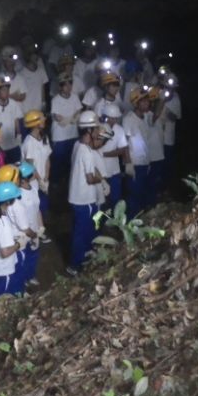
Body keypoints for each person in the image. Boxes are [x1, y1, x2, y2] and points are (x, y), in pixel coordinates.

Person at [67, 111, 103, 275]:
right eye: (95, 128)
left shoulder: (78, 145)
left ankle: (86, 255)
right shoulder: (86, 152)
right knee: (82, 233)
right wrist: (101, 179)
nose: (98, 131)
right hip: (84, 198)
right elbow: (90, 179)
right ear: (89, 130)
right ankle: (75, 265)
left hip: (77, 196)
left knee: (83, 230)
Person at [0, 182, 27, 300]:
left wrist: (11, 239)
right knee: (1, 303)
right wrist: (18, 244)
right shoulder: (2, 223)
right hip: (3, 270)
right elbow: (4, 253)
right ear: (8, 202)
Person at [122, 88, 151, 219]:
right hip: (135, 163)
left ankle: (140, 223)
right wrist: (128, 163)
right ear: (135, 103)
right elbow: (125, 143)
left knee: (142, 193)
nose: (147, 104)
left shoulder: (145, 117)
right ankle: (130, 224)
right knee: (133, 196)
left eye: (147, 101)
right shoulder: (128, 119)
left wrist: (148, 161)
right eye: (143, 101)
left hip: (144, 162)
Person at [50, 72, 82, 183]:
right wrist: (71, 119)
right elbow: (59, 119)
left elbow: (79, 111)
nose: (68, 87)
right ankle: (55, 183)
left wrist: (75, 117)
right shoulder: (55, 100)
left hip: (72, 134)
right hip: (60, 137)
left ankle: (69, 181)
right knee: (58, 161)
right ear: (60, 86)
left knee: (71, 160)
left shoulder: (75, 97)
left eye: (70, 84)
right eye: (65, 84)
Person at [17, 162, 45, 287]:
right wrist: (31, 234)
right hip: (23, 232)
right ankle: (22, 281)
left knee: (33, 254)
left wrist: (41, 227)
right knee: (23, 257)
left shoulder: (33, 189)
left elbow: (37, 209)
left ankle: (30, 276)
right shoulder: (18, 194)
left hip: (34, 229)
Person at [21, 110, 52, 214]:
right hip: (33, 181)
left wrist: (46, 178)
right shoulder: (29, 142)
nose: (44, 120)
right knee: (36, 209)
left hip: (43, 179)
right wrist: (40, 181)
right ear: (35, 124)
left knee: (44, 207)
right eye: (41, 119)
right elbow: (30, 166)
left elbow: (47, 158)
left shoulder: (44, 137)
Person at [99, 105, 130, 210]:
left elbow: (123, 149)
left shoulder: (119, 129)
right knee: (101, 200)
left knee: (116, 199)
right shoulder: (97, 128)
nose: (114, 120)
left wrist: (104, 154)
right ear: (105, 117)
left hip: (114, 171)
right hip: (100, 171)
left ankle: (114, 222)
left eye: (116, 118)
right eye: (112, 118)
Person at [0, 75, 23, 163]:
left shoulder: (13, 103)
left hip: (14, 144)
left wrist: (18, 134)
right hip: (1, 147)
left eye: (7, 90)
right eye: (3, 90)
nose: (6, 92)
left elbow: (16, 119)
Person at [159, 74, 182, 184]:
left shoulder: (176, 98)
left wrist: (168, 113)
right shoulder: (159, 93)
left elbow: (177, 117)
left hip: (168, 136)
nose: (169, 87)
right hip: (157, 134)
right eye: (167, 84)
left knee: (167, 161)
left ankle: (166, 184)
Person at [18, 49, 49, 114]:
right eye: (33, 54)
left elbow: (42, 88)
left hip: (38, 109)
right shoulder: (21, 74)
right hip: (26, 110)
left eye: (36, 54)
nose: (36, 56)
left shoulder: (41, 71)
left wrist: (43, 103)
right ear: (28, 56)